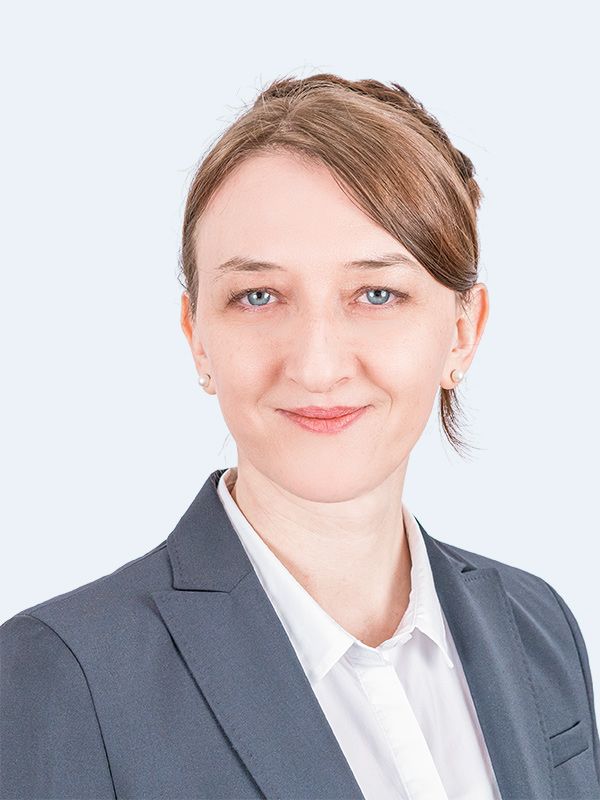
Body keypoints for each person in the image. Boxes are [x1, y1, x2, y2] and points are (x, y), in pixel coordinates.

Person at [1, 74, 598, 800]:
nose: (316, 366)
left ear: (463, 331)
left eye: (376, 294)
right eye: (258, 296)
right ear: (197, 337)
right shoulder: (64, 675)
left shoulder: (537, 626)